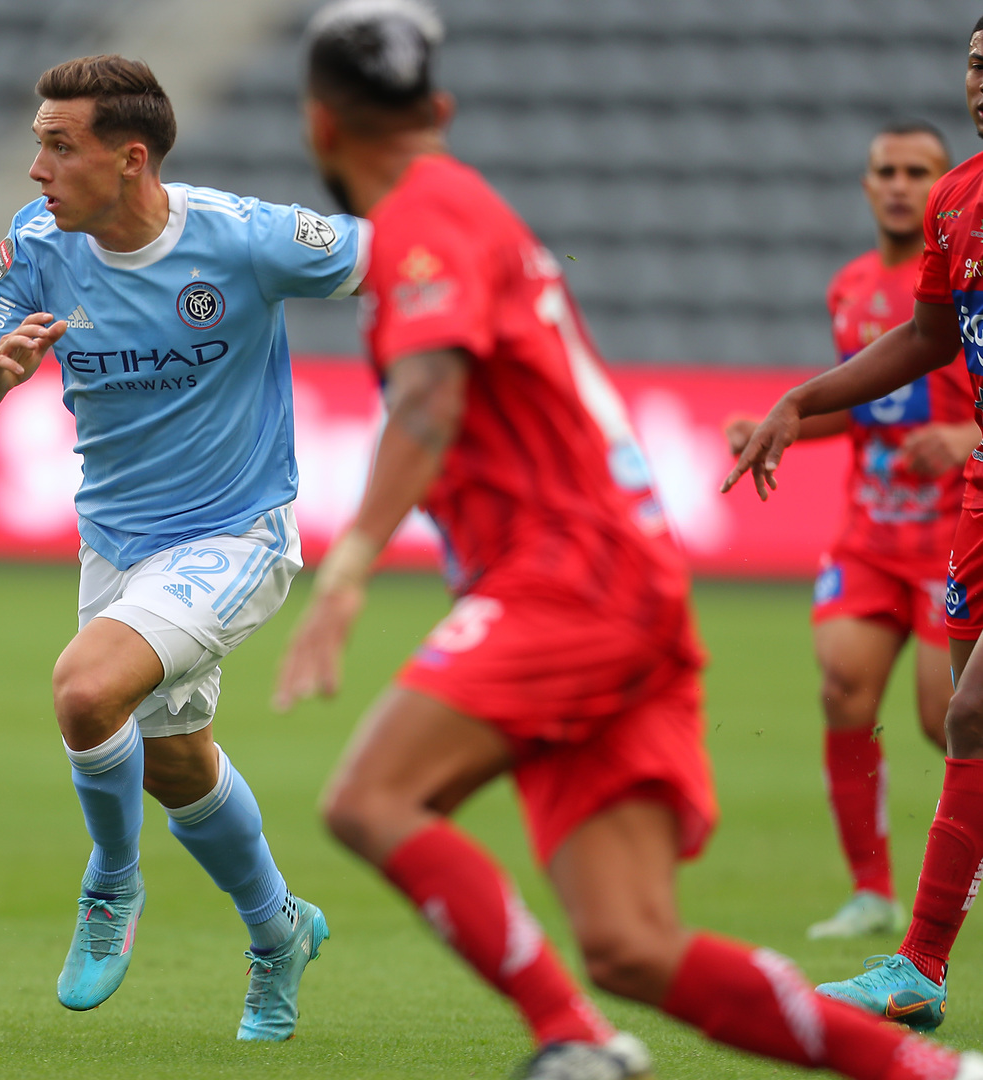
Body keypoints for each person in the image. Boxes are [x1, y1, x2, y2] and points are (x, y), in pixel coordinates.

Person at [277, 2, 983, 1077]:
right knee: (629, 944)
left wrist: (347, 569)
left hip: (568, 576)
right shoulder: (470, 207)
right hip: (626, 578)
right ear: (443, 109)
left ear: (320, 125)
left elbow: (427, 395)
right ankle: (934, 1071)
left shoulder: (424, 217)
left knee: (370, 800)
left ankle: (581, 1036)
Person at [0, 54, 369, 1040]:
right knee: (173, 764)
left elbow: (401, 257)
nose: (37, 167)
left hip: (236, 533)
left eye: (58, 146)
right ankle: (280, 931)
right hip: (119, 543)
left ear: (129, 158)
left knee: (86, 691)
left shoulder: (242, 239)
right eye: (37, 143)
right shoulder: (36, 247)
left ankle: (113, 884)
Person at [728, 16, 983, 1034]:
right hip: (964, 510)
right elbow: (926, 338)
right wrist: (801, 401)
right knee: (949, 716)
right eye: (976, 61)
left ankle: (919, 964)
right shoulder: (958, 202)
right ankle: (892, 918)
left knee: (962, 715)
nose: (982, 78)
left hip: (955, 499)